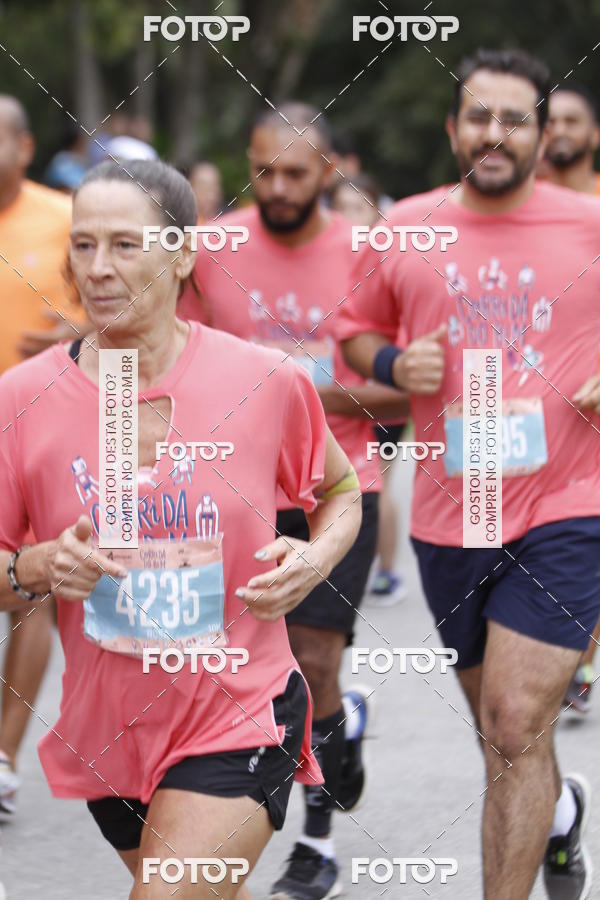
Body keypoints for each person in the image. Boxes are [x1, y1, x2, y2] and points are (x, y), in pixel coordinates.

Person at [0, 158, 362, 899]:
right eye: (84, 244)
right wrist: (36, 568)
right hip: (112, 734)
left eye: (126, 245)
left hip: (239, 710)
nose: (98, 269)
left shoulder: (264, 379)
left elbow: (342, 490)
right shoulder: (21, 399)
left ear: (183, 253)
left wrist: (316, 555)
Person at [340, 48, 600, 900]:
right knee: (502, 738)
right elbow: (353, 331)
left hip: (570, 501)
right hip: (453, 514)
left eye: (514, 118)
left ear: (543, 133)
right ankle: (557, 816)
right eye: (479, 116)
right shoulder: (404, 224)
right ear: (454, 129)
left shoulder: (588, 223)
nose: (495, 133)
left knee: (516, 719)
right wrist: (389, 360)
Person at [179, 104, 408, 900]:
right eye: (264, 169)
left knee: (313, 666)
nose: (277, 187)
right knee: (234, 670)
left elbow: (403, 391)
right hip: (232, 492)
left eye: (297, 174)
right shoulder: (211, 249)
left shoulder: (365, 251)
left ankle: (316, 846)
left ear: (330, 172)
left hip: (338, 488)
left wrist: (302, 385)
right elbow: (178, 363)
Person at [0, 94, 85, 816]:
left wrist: (71, 330)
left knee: (31, 592)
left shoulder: (64, 217)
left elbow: (117, 305)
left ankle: (2, 756)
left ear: (25, 147)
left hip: (37, 426)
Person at [543, 82, 600, 714]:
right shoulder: (517, 211)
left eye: (570, 119)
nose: (556, 129)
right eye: (548, 119)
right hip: (528, 416)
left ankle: (577, 655)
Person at [331, 174, 408, 607]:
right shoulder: (329, 261)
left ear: (378, 215)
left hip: (381, 403)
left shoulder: (391, 262)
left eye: (358, 208)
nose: (348, 218)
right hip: (335, 404)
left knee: (376, 484)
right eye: (340, 208)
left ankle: (388, 570)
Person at [544, 83, 600, 195]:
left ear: (595, 135)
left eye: (571, 121)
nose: (559, 131)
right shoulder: (519, 197)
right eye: (551, 122)